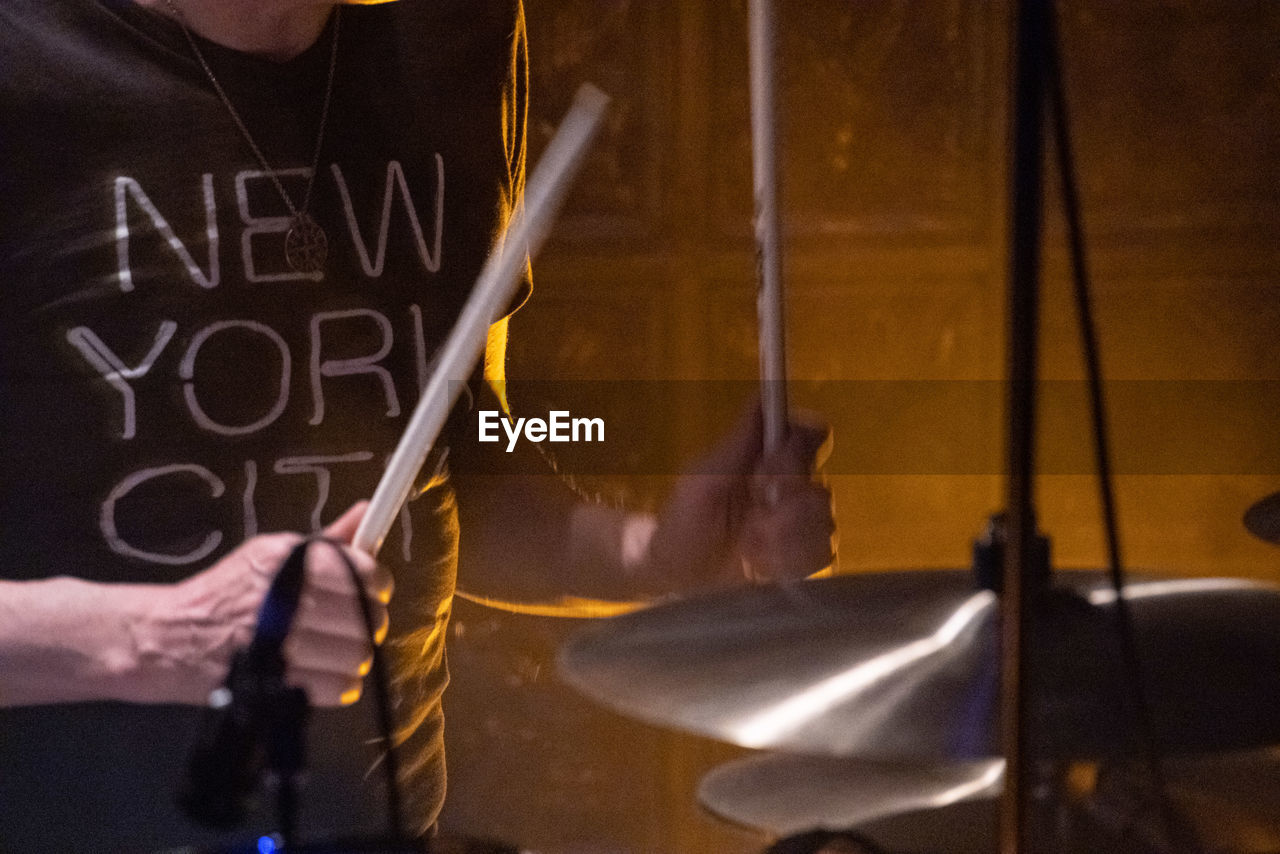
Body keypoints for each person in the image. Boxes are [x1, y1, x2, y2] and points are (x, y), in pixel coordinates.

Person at [0, 0, 836, 850]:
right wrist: (146, 637)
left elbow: (453, 472)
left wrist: (651, 557)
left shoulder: (451, 35)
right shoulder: (25, 55)